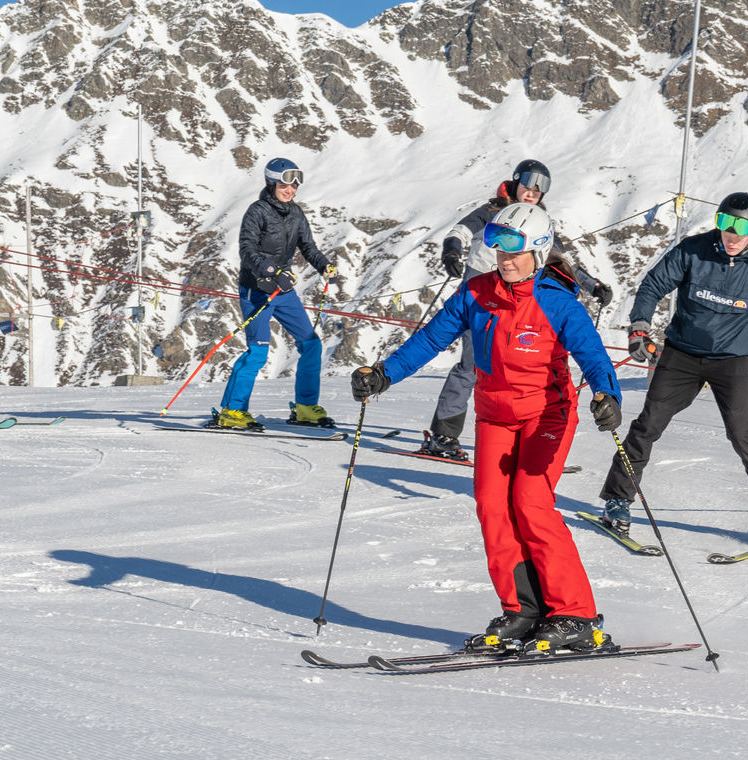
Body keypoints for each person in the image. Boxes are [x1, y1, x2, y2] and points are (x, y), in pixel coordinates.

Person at [353, 202, 623, 655]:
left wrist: (607, 395)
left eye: (514, 249)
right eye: (496, 246)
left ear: (538, 251)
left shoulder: (557, 301)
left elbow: (593, 355)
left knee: (530, 502)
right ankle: (524, 611)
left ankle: (573, 613)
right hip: (495, 414)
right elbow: (431, 338)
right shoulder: (476, 293)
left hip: (547, 415)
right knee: (492, 508)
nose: (503, 257)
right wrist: (384, 374)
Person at [598, 191, 748, 547]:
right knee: (647, 426)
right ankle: (617, 501)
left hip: (731, 360)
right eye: (726, 222)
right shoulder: (693, 251)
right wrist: (640, 327)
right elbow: (652, 286)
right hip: (681, 355)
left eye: (741, 226)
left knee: (742, 434)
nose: (732, 233)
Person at [421, 159, 613, 460]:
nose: (535, 189)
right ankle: (444, 434)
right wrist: (452, 251)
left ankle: (529, 438)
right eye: (530, 180)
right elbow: (459, 231)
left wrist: (593, 286)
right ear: (515, 181)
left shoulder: (538, 222)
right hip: (483, 295)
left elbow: (563, 260)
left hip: (521, 299)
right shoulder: (492, 212)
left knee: (522, 369)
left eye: (543, 185)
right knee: (474, 364)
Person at [212, 157, 339, 431]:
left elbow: (308, 246)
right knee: (258, 352)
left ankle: (305, 407)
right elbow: (247, 250)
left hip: (282, 290)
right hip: (256, 289)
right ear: (271, 183)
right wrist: (270, 269)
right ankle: (232, 411)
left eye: (294, 186)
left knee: (311, 344)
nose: (290, 190)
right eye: (284, 184)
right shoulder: (257, 211)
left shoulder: (296, 214)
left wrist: (323, 265)